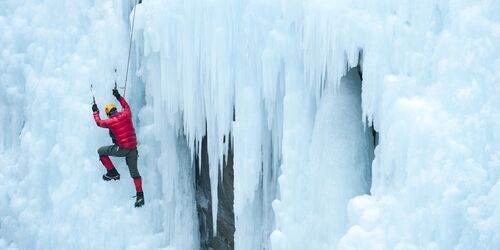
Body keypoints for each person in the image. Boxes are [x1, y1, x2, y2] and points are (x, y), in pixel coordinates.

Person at [92, 89, 144, 207]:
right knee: (135, 173)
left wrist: (95, 111)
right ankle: (140, 196)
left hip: (122, 149)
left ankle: (112, 173)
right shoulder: (126, 113)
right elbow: (125, 105)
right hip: (133, 149)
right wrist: (118, 96)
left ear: (109, 113)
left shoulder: (110, 121)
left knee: (101, 151)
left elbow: (99, 122)